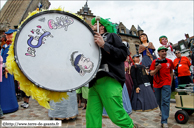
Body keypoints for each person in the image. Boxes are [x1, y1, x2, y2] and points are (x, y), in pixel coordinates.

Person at [86, 17, 134, 128]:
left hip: (109, 78)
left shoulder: (112, 36)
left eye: (94, 25)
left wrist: (104, 45)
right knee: (92, 115)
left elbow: (123, 54)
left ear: (101, 26)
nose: (92, 27)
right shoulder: (90, 40)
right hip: (94, 81)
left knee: (116, 115)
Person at [150, 46, 174, 128]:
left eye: (165, 51)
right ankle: (163, 112)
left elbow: (171, 72)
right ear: (159, 53)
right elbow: (151, 73)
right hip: (157, 84)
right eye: (162, 51)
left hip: (166, 83)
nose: (164, 53)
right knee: (159, 101)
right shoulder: (154, 62)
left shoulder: (170, 61)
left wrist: (170, 83)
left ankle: (164, 121)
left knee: (165, 102)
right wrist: (157, 69)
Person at [0, 29, 19, 114]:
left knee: (8, 87)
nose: (8, 37)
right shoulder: (4, 46)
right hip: (2, 68)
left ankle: (10, 106)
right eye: (7, 35)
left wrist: (6, 65)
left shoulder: (14, 46)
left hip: (7, 69)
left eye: (10, 35)